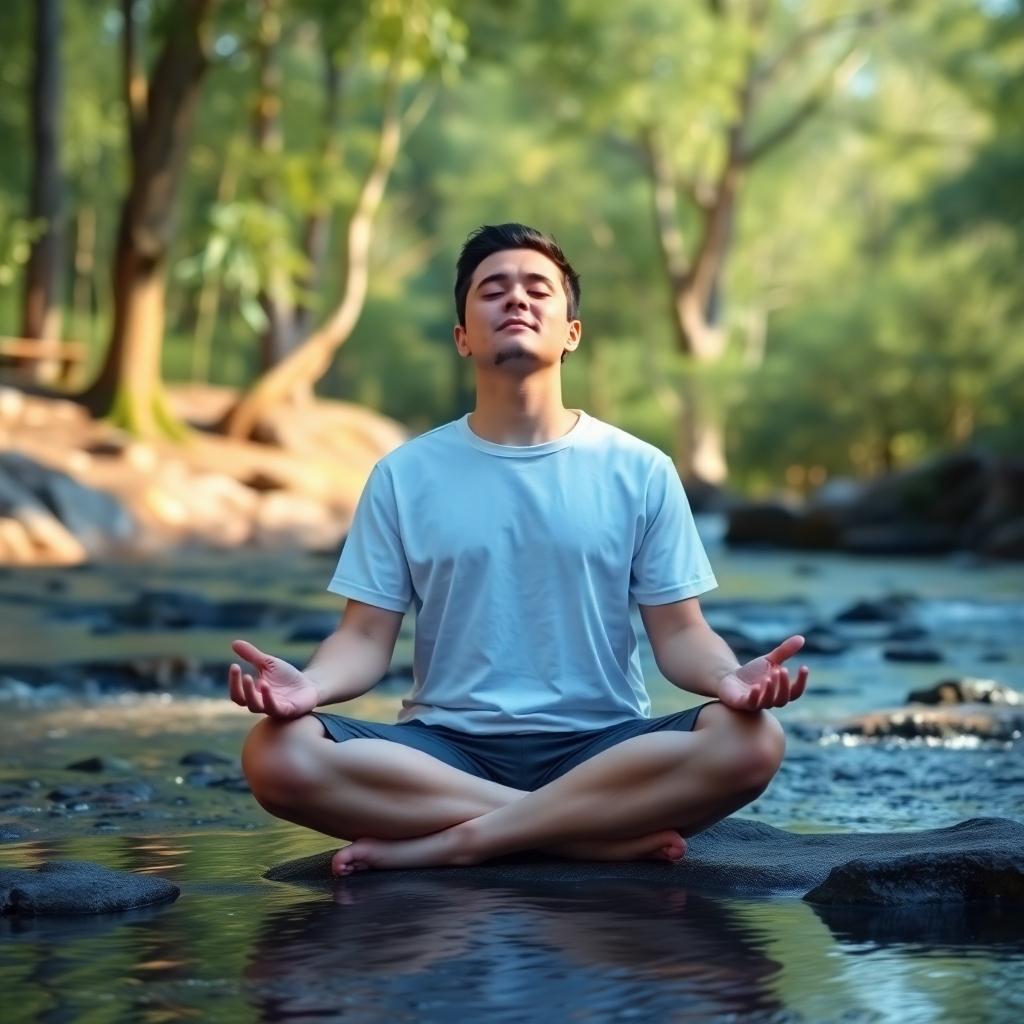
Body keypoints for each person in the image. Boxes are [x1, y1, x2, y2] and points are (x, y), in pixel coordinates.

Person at [230, 223, 808, 877]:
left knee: (752, 742)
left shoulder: (639, 469)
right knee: (275, 755)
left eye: (538, 288)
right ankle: (580, 833)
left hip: (605, 746)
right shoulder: (405, 474)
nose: (517, 300)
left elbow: (680, 634)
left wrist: (727, 679)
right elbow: (363, 639)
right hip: (446, 749)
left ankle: (463, 840)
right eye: (492, 290)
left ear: (572, 333)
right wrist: (310, 686)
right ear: (462, 336)